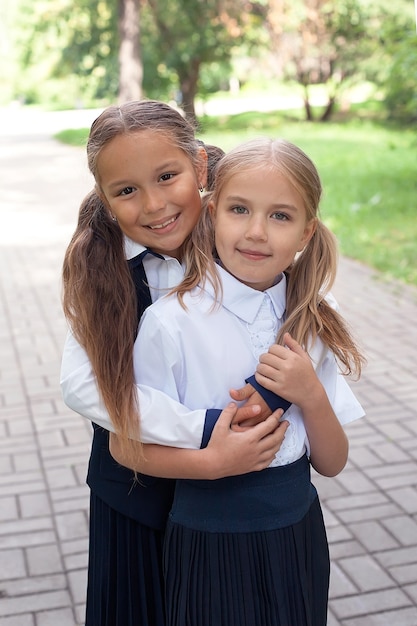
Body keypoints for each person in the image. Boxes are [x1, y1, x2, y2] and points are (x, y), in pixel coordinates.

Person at [60, 101, 288, 626]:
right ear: (106, 199)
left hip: (231, 498)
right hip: (136, 498)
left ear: (201, 168)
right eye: (127, 191)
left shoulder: (240, 241)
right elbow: (81, 385)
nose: (155, 204)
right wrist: (205, 432)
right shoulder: (102, 266)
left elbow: (298, 310)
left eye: (167, 177)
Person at [124, 137, 366, 626]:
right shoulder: (172, 323)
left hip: (297, 534)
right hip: (208, 541)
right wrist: (213, 462)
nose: (256, 232)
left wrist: (311, 396)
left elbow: (333, 463)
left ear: (305, 232)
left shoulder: (315, 318)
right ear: (212, 215)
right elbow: (128, 447)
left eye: (280, 216)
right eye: (239, 209)